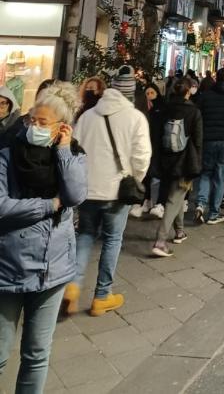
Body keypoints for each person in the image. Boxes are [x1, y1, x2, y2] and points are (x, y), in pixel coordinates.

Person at [0, 83, 87, 392]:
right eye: (31, 120)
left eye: (42, 123)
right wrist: (47, 205)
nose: (33, 127)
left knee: (36, 355)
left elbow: (75, 195)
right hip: (8, 266)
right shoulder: (8, 152)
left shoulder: (72, 154)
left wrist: (63, 150)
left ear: (61, 128)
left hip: (52, 270)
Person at [65, 84, 151, 316]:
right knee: (112, 240)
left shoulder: (87, 117)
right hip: (116, 192)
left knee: (84, 235)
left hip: (88, 188)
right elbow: (142, 156)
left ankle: (72, 286)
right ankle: (102, 295)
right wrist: (134, 179)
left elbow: (75, 149)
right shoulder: (135, 117)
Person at [151, 79, 203, 256]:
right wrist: (197, 161)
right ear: (188, 92)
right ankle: (160, 240)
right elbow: (198, 139)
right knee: (175, 198)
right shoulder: (193, 111)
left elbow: (156, 134)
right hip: (185, 159)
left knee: (177, 195)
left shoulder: (165, 108)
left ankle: (179, 231)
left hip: (166, 158)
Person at [192, 67, 224, 224]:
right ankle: (214, 213)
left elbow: (198, 115)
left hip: (208, 139)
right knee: (220, 176)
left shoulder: (205, 96)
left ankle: (200, 204)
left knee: (206, 173)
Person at [130, 81, 166, 219]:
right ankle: (146, 200)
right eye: (148, 93)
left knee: (155, 174)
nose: (150, 96)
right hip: (147, 144)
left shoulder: (161, 108)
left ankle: (156, 202)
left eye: (152, 93)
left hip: (158, 146)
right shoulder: (143, 108)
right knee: (146, 175)